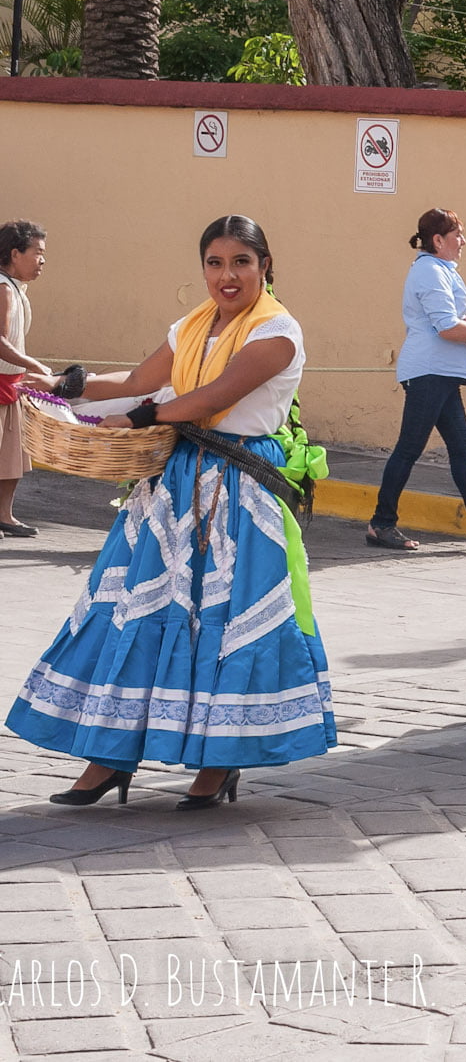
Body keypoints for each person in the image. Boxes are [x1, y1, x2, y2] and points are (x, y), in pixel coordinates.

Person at [7, 215, 335, 809]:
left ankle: (219, 764)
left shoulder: (278, 333)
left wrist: (138, 416)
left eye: (241, 262)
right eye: (215, 263)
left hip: (239, 489)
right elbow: (137, 379)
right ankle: (108, 758)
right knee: (133, 612)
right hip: (175, 484)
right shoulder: (191, 327)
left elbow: (214, 397)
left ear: (265, 266)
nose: (227, 275)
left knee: (224, 623)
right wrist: (62, 385)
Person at [368, 209, 466, 553]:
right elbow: (446, 327)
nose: (463, 241)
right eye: (457, 234)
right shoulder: (429, 272)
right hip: (430, 372)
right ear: (438, 240)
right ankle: (382, 523)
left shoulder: (440, 271)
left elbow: (452, 321)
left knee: (462, 448)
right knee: (410, 448)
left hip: (441, 373)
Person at [0, 220, 51, 537]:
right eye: (38, 252)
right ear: (15, 253)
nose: (42, 260)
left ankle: (4, 515)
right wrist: (35, 365)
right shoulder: (3, 289)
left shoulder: (14, 288)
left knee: (12, 454)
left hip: (12, 383)